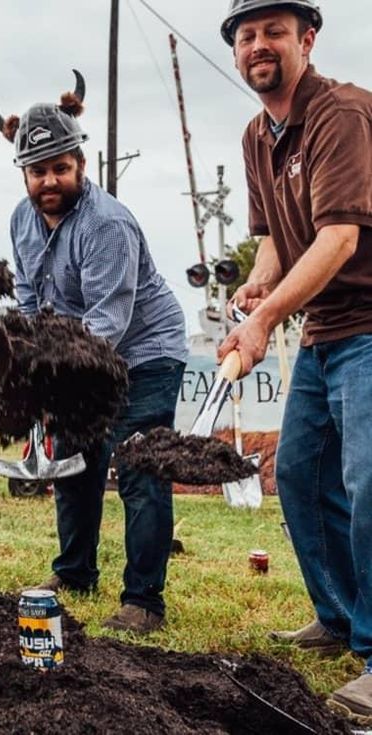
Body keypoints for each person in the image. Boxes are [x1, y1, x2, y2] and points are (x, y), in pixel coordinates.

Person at [218, 0, 372, 722]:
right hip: (323, 332)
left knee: (368, 484)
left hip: (370, 325)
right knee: (301, 476)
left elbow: (339, 237)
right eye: (246, 34)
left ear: (306, 39)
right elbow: (278, 238)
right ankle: (340, 616)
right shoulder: (258, 135)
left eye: (274, 31)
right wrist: (259, 282)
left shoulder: (341, 114)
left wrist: (265, 320)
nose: (258, 45)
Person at [0, 75, 188, 634]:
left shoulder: (106, 224)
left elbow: (108, 318)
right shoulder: (20, 221)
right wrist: (27, 359)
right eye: (37, 171)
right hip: (79, 354)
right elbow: (31, 300)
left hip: (144, 352)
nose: (49, 179)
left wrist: (52, 370)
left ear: (80, 163)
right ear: (25, 174)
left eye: (60, 166)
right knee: (75, 463)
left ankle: (144, 601)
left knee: (139, 465)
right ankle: (75, 572)